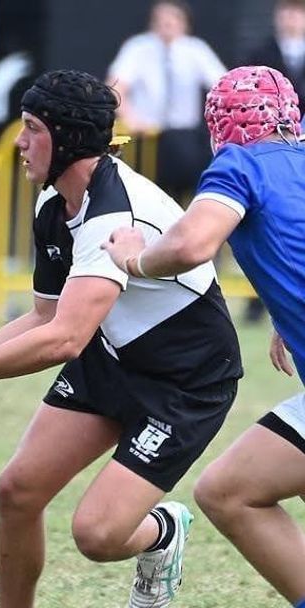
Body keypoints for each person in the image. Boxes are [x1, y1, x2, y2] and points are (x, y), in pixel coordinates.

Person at [0, 70, 241, 608]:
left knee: (96, 535)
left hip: (184, 384)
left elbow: (62, 341)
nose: (19, 142)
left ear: (67, 137)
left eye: (30, 128)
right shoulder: (55, 204)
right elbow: (44, 317)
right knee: (16, 492)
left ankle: (162, 532)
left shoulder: (112, 214)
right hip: (111, 356)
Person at [102, 65, 305, 608]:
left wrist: (133, 258)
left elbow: (193, 244)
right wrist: (288, 318)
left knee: (231, 493)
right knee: (229, 490)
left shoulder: (239, 163)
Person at [107, 0, 225, 201]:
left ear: (185, 23)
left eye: (174, 18)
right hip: (147, 137)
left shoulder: (196, 49)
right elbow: (116, 86)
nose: (168, 23)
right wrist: (131, 118)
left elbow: (221, 83)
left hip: (183, 138)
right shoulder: (137, 48)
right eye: (162, 18)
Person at [240, 0, 305, 323]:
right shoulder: (260, 53)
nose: (290, 19)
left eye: (296, 12)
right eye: (286, 12)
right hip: (270, 150)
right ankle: (259, 301)